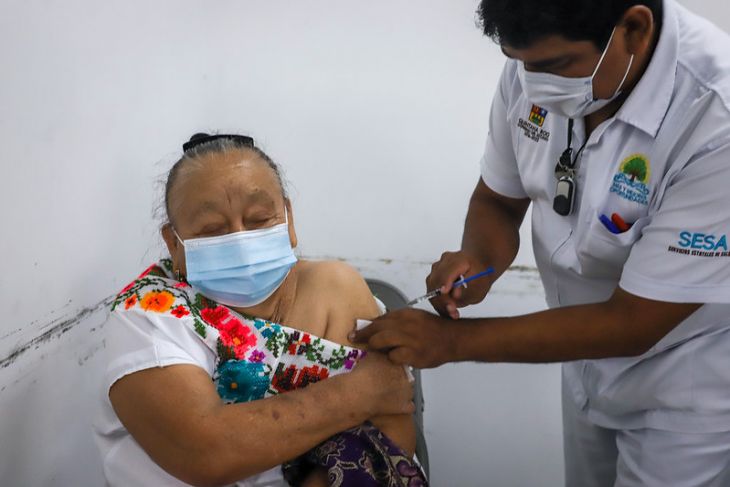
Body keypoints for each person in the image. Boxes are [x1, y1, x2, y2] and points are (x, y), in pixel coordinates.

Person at [352, 1, 730, 485]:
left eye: (556, 65)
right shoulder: (535, 67)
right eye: (518, 62)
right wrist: (478, 257)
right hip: (582, 355)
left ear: (634, 28)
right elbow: (498, 200)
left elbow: (635, 323)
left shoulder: (714, 118)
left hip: (682, 383)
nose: (535, 85)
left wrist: (451, 341)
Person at [93, 134, 425, 487]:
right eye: (212, 230)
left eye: (258, 219)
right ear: (175, 244)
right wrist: (357, 394)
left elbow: (390, 429)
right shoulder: (149, 315)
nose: (240, 240)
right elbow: (205, 452)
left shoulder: (334, 288)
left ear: (288, 219)